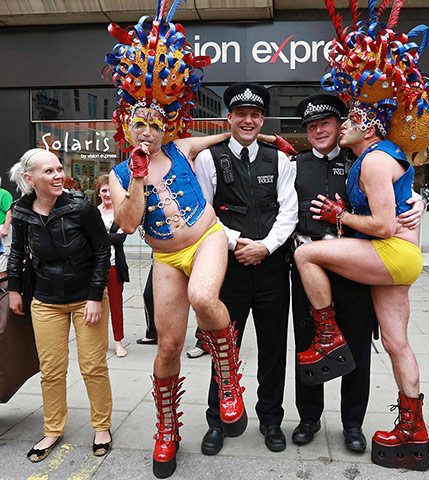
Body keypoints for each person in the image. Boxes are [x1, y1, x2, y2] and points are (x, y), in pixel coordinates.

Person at [295, 0, 429, 471]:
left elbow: (385, 225)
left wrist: (339, 217)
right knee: (395, 343)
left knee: (309, 255)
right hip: (402, 258)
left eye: (347, 121)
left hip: (392, 250)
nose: (341, 125)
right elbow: (401, 198)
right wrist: (417, 200)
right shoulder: (386, 154)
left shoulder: (369, 161)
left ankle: (326, 336)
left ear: (366, 125)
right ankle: (413, 434)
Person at [105, 7, 246, 478]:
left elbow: (229, 133)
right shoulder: (120, 173)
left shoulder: (183, 148)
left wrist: (271, 139)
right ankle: (166, 429)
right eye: (139, 126)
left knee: (205, 297)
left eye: (155, 125)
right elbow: (127, 224)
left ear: (167, 128)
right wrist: (139, 179)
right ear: (128, 129)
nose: (147, 133)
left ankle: (229, 381)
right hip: (165, 256)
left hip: (206, 238)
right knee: (168, 346)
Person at [291, 93, 425, 452]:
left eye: (331, 123)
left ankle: (353, 424)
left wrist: (418, 202)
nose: (320, 130)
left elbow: (385, 214)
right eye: (311, 126)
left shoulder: (368, 160)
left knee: (357, 349)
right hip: (323, 271)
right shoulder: (295, 162)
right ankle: (311, 418)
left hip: (363, 263)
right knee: (390, 344)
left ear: (342, 128)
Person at [194, 82, 298, 455]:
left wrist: (265, 246)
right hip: (228, 269)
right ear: (230, 118)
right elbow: (203, 213)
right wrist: (238, 242)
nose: (248, 120)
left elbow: (290, 212)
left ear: (262, 119)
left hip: (271, 269)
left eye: (255, 115)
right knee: (224, 347)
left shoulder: (279, 159)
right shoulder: (209, 158)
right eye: (241, 114)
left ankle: (270, 420)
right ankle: (218, 421)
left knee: (273, 349)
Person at [7, 148, 112, 462]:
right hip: (46, 300)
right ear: (30, 179)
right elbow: (16, 253)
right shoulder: (22, 211)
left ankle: (102, 426)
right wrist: (14, 290)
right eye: (48, 172)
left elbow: (102, 253)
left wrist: (95, 296)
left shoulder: (81, 207)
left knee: (93, 366)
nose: (57, 176)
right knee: (51, 370)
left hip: (86, 299)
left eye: (58, 169)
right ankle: (52, 429)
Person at [96, 174, 130, 358]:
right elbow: (89, 240)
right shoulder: (93, 213)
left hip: (115, 266)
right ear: (98, 193)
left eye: (110, 190)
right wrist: (106, 238)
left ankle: (118, 342)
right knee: (96, 305)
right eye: (104, 191)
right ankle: (98, 342)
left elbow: (121, 238)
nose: (107, 194)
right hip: (96, 267)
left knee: (116, 306)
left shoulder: (120, 212)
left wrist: (100, 238)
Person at [0, 176, 13, 280]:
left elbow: (10, 212)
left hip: (2, 227)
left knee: (3, 254)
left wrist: (5, 228)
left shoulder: (4, 194)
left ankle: (4, 290)